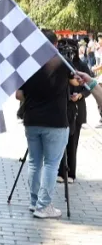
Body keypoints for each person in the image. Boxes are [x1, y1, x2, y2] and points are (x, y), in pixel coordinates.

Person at [15, 30, 74, 219]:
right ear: (55, 44)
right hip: (55, 122)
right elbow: (76, 80)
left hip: (32, 121)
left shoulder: (28, 64)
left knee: (34, 163)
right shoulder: (62, 63)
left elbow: (18, 95)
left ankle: (34, 202)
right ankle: (44, 205)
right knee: (51, 164)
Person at [58, 46, 91, 184]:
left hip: (77, 108)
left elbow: (89, 86)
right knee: (60, 142)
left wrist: (80, 95)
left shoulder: (82, 65)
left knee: (73, 142)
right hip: (62, 108)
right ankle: (60, 172)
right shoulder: (59, 64)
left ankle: (71, 172)